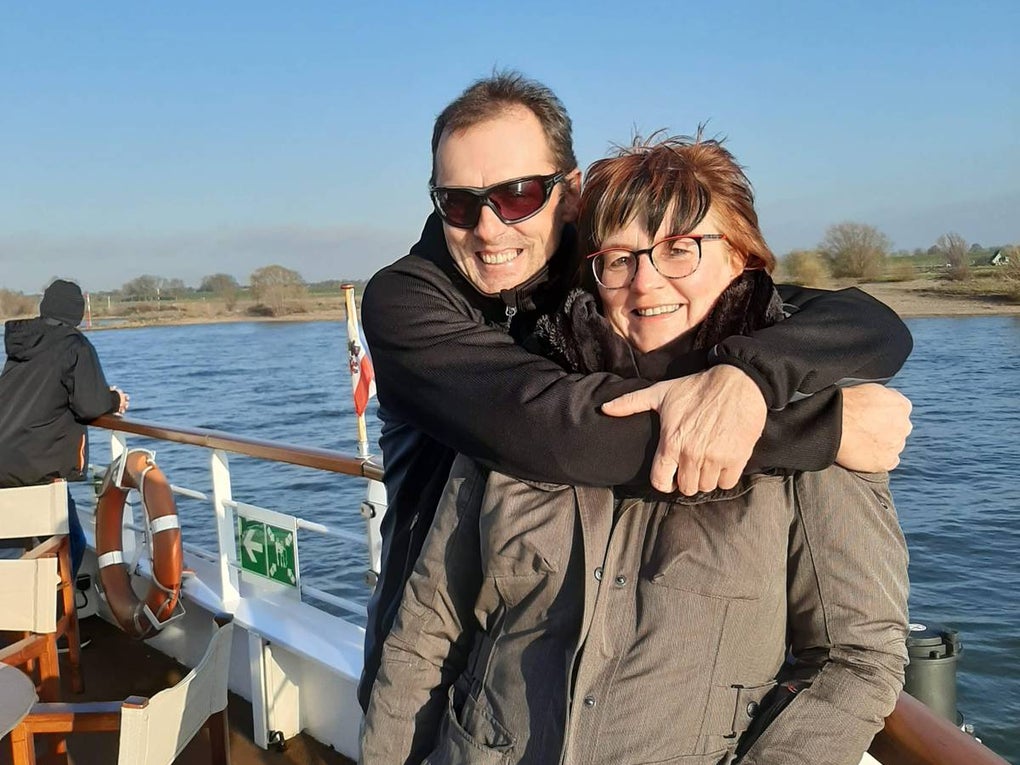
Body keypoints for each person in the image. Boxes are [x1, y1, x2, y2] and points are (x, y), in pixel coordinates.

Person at [358, 71, 913, 710]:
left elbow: (862, 321)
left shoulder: (604, 275)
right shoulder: (407, 300)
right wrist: (823, 428)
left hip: (549, 647)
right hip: (428, 654)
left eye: (517, 195)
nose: (487, 227)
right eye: (458, 203)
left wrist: (749, 374)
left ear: (569, 193)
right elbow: (551, 426)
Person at [0, 278, 129, 575]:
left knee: (9, 547)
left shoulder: (22, 344)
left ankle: (18, 600)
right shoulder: (74, 345)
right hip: (37, 466)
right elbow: (89, 405)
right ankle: (52, 603)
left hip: (5, 459)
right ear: (77, 313)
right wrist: (114, 399)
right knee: (72, 544)